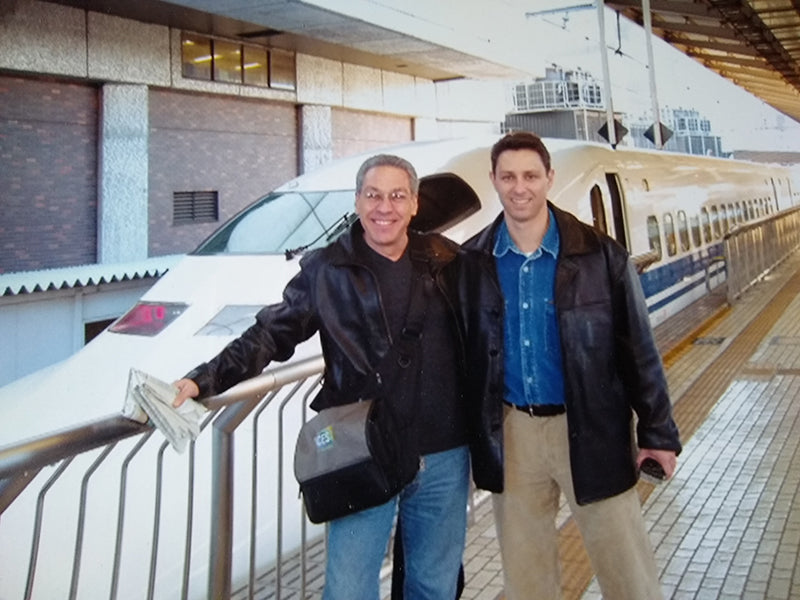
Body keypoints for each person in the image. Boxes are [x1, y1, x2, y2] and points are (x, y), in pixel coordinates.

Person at [172, 153, 502, 599]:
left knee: (434, 584)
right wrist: (202, 380)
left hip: (444, 453)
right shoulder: (327, 269)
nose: (384, 207)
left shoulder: (447, 260)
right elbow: (271, 334)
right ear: (358, 201)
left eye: (397, 195)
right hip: (364, 450)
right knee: (348, 587)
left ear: (414, 205)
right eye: (373, 195)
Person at [462, 131, 682, 600]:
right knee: (527, 581)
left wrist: (658, 435)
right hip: (513, 433)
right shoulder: (472, 262)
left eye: (530, 175)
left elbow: (638, 351)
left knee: (628, 575)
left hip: (592, 427)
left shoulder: (602, 256)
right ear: (494, 182)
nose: (519, 187)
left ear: (549, 178)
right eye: (508, 177)